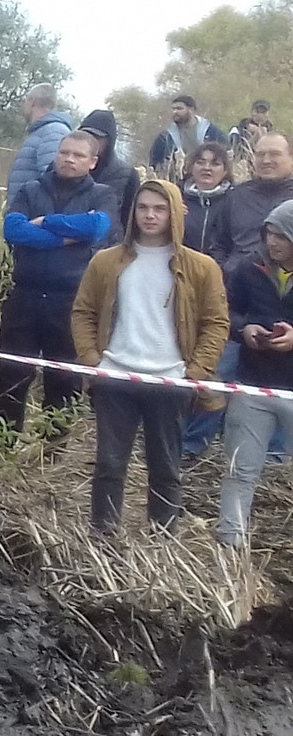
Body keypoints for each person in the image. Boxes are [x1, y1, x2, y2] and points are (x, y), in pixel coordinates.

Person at [71, 180, 227, 539]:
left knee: (166, 466)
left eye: (159, 209)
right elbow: (83, 312)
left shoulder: (202, 268)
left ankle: (163, 539)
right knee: (109, 464)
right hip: (115, 378)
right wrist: (93, 360)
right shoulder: (106, 262)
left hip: (170, 382)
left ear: (174, 212)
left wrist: (195, 370)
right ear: (133, 212)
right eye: (143, 208)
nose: (150, 215)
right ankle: (103, 536)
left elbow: (216, 322)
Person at [0, 131, 117, 440]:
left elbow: (98, 227)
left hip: (71, 301)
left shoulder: (102, 195)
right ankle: (2, 447)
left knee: (64, 378)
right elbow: (14, 230)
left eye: (77, 155)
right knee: (11, 375)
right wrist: (68, 235)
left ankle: (51, 449)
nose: (68, 159)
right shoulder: (30, 189)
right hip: (23, 297)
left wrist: (43, 222)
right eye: (64, 153)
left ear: (92, 162)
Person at [220, 201, 293, 550]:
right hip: (253, 384)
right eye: (270, 233)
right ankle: (230, 546)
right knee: (240, 470)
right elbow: (226, 311)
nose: (274, 242)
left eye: (283, 236)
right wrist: (243, 328)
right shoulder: (248, 269)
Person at [182, 142, 240, 458]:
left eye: (215, 163)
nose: (207, 168)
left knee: (213, 367)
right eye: (200, 161)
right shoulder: (175, 196)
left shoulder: (235, 201)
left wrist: (216, 270)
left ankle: (194, 444)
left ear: (225, 169)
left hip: (222, 291)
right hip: (179, 290)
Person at [209, 130, 293, 276]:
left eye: (275, 154)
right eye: (260, 154)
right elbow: (218, 244)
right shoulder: (235, 196)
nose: (266, 160)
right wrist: (227, 271)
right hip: (240, 285)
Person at [6, 84, 74, 196]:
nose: (23, 105)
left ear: (33, 101)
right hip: (22, 210)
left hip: (33, 211)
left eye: (25, 100)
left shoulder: (53, 131)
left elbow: (54, 179)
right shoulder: (41, 131)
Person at [79, 108, 141, 219]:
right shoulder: (62, 167)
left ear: (109, 141)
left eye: (97, 137)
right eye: (86, 135)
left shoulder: (127, 175)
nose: (91, 141)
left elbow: (130, 218)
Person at [147, 95, 221, 178]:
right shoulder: (165, 137)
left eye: (179, 108)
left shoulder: (211, 131)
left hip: (207, 178)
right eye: (173, 109)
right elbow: (154, 163)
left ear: (191, 110)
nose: (175, 112)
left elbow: (225, 155)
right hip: (176, 181)